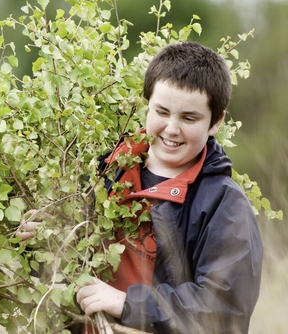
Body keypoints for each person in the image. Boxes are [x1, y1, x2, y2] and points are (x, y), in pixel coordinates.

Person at [16, 41, 263, 334]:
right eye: (162, 111)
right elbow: (59, 279)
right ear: (146, 104)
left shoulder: (224, 203)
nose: (172, 128)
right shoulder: (103, 174)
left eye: (189, 118)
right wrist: (36, 245)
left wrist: (126, 303)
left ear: (215, 122)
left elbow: (225, 310)